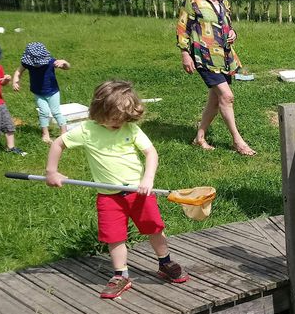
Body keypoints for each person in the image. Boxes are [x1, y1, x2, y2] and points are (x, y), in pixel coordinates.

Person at [45, 80, 188, 299]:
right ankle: (121, 275)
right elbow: (58, 144)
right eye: (113, 120)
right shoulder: (86, 130)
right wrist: (52, 171)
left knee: (154, 228)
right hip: (109, 197)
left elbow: (151, 153)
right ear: (99, 110)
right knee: (115, 237)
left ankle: (165, 263)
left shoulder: (131, 128)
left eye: (123, 120)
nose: (118, 124)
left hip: (139, 194)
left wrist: (148, 178)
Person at [177, 0, 256, 156]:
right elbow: (182, 27)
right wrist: (185, 53)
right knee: (227, 97)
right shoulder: (193, 0)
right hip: (204, 56)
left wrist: (233, 33)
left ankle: (199, 138)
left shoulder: (223, 2)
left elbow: (226, 26)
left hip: (224, 56)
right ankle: (238, 141)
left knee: (215, 99)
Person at [12, 42, 72, 143]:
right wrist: (15, 81)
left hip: (53, 92)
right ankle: (45, 134)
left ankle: (64, 133)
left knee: (56, 112)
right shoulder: (28, 63)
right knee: (43, 112)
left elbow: (67, 67)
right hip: (38, 93)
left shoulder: (50, 61)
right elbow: (19, 71)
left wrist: (64, 62)